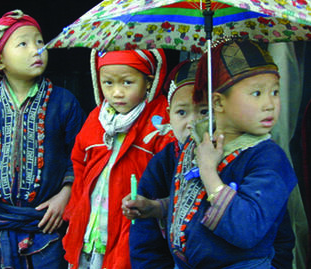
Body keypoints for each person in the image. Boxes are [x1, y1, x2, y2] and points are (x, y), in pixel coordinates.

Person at [123, 47, 296, 269]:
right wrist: (156, 208)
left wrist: (208, 171)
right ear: (221, 103)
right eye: (256, 94)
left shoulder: (269, 158)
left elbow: (246, 229)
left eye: (275, 92)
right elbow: (194, 203)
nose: (269, 104)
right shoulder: (198, 146)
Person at [0, 10, 86, 269]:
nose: (37, 50)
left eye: (40, 42)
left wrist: (66, 194)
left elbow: (82, 156)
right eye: (23, 43)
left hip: (47, 225)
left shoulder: (64, 103)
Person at [63, 48, 175, 268]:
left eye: (127, 82)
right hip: (91, 223)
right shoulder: (96, 119)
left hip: (133, 223)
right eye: (108, 83)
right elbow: (79, 166)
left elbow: (170, 178)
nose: (116, 93)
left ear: (149, 82)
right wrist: (74, 214)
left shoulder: (162, 123)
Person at [122, 58, 208, 268]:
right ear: (168, 115)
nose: (192, 123)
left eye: (204, 111)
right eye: (182, 112)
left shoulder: (238, 157)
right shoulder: (162, 165)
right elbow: (144, 245)